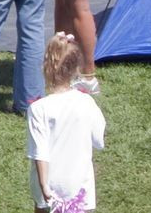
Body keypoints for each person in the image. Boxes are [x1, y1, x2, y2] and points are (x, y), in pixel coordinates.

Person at [27, 33, 105, 212]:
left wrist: (44, 186)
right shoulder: (86, 103)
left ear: (46, 66)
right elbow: (99, 141)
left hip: (48, 182)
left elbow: (40, 151)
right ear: (76, 69)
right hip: (78, 182)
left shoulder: (39, 108)